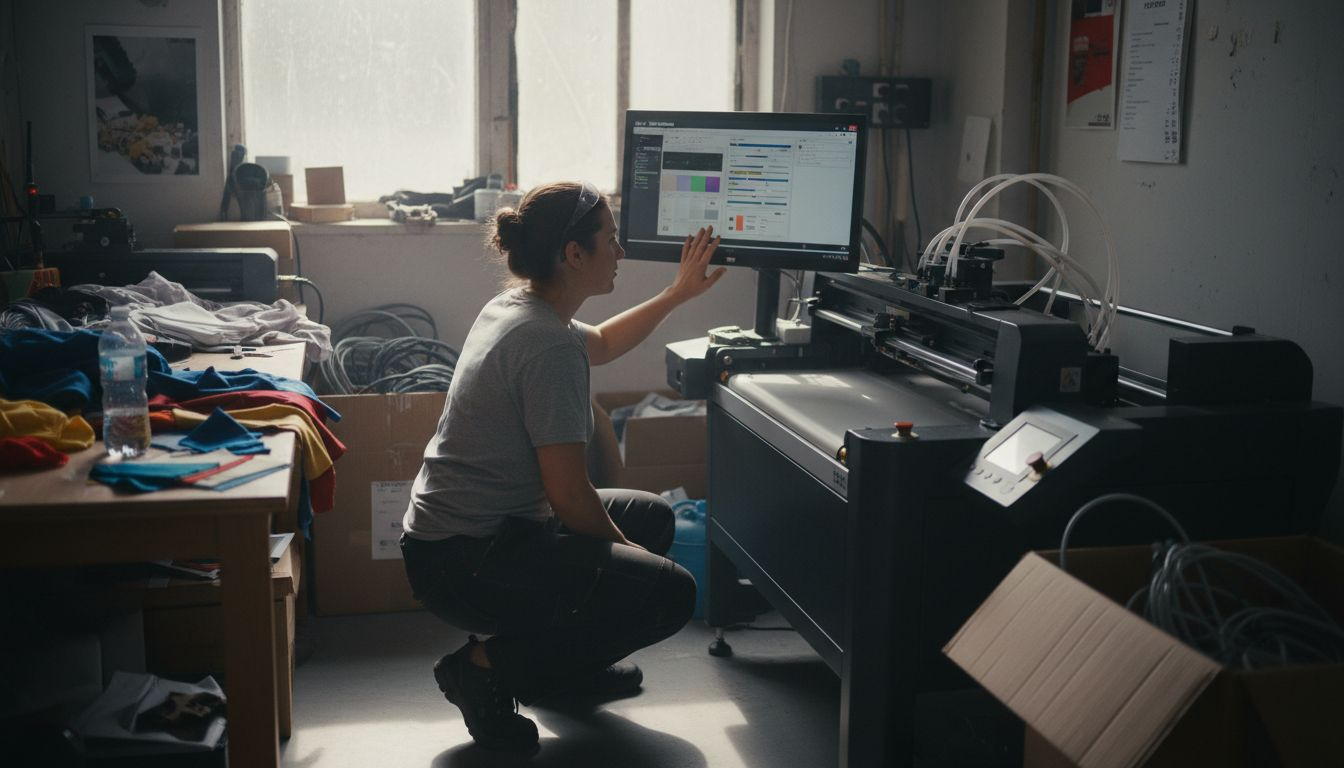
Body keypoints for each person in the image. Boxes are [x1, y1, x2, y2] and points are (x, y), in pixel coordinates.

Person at [400, 180, 726, 752]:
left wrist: (677, 294)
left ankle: (560, 671)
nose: (620, 252)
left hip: (462, 542)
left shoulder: (519, 305)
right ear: (574, 255)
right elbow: (570, 497)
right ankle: (480, 668)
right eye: (611, 239)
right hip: (466, 561)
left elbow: (598, 342)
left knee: (653, 520)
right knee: (668, 594)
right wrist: (632, 559)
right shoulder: (546, 345)